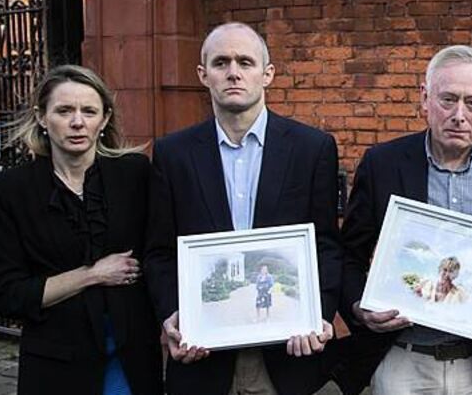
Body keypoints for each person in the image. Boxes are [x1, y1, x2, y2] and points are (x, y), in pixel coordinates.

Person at [144, 21, 342, 395]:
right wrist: (172, 314)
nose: (233, 72)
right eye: (221, 63)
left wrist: (318, 313)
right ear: (203, 74)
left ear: (267, 74)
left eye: (245, 62)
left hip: (286, 357)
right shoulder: (173, 154)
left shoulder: (311, 149)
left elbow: (326, 245)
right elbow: (159, 251)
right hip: (203, 358)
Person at [340, 44, 472, 395]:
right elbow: (349, 254)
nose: (459, 115)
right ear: (425, 98)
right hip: (402, 358)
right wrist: (359, 307)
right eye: (448, 99)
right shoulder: (382, 164)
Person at [0, 65, 163, 395]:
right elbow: (6, 295)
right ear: (41, 117)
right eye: (64, 111)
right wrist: (92, 275)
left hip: (132, 361)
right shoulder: (9, 190)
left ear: (104, 119)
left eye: (89, 111)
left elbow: (161, 255)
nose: (77, 122)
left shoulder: (135, 175)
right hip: (56, 367)